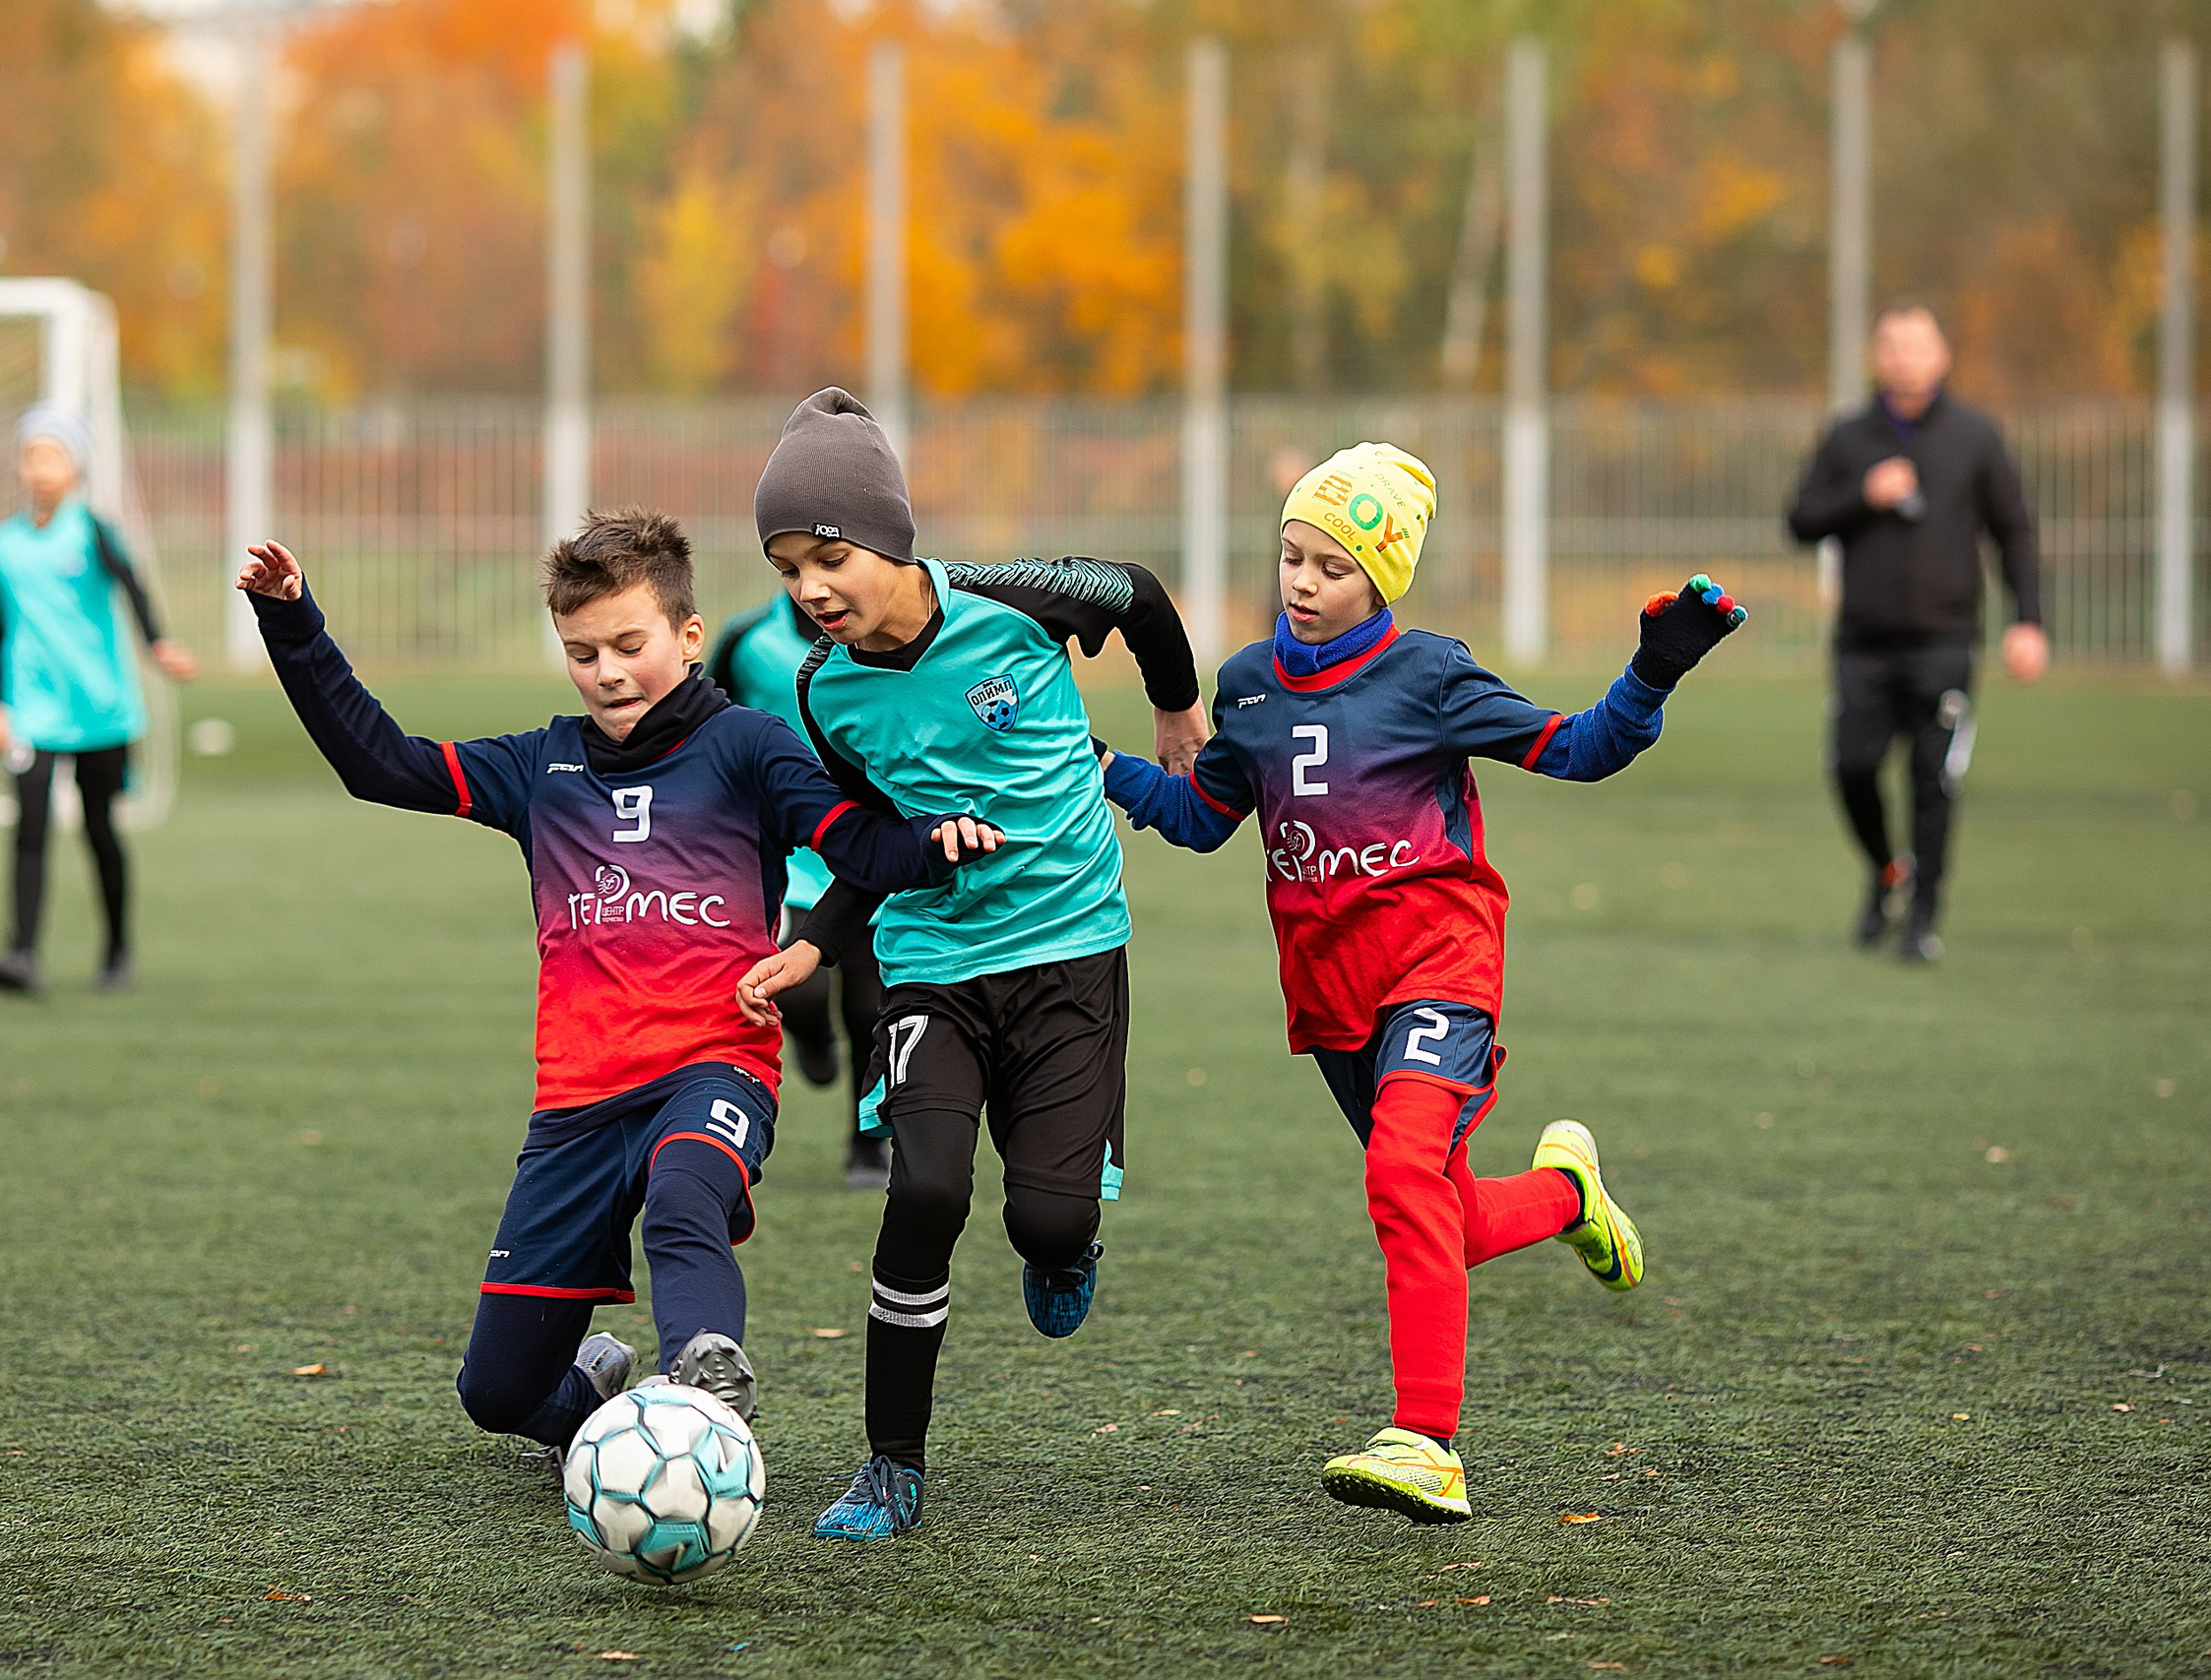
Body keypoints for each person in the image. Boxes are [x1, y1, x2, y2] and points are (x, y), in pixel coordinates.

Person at [235, 509, 1001, 1460]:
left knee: (685, 1195)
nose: (608, 671)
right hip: (576, 1105)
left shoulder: (748, 746)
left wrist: (937, 843)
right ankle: (603, 1411)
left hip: (712, 1068)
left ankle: (700, 1386)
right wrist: (294, 622)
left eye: (630, 645)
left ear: (686, 636)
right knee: (498, 1391)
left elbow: (858, 842)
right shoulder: (539, 765)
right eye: (582, 651)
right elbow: (380, 764)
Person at [1101, 444, 1746, 1524]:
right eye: (1290, 558)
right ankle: (1566, 1197)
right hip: (1332, 997)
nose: (1301, 584)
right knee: (1437, 1211)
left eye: (1331, 568)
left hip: (1439, 969)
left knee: (1401, 1171)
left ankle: (1428, 1443)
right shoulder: (1248, 684)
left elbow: (1578, 750)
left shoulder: (1430, 674)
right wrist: (1095, 768)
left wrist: (1652, 675)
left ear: (1380, 581)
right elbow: (1203, 819)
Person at [732, 388, 1208, 1541]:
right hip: (932, 961)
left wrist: (1175, 711)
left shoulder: (1012, 597)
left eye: (828, 554)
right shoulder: (821, 690)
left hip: (1070, 952)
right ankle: (890, 1466)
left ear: (888, 538)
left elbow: (1140, 595)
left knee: (1044, 1225)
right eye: (788, 566)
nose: (810, 590)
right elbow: (868, 849)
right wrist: (810, 946)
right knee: (928, 1188)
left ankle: (1070, 1231)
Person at [1788, 304, 2045, 963]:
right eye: (1892, 345)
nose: (1904, 356)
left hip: (1944, 641)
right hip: (1864, 644)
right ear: (1878, 356)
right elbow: (1800, 519)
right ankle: (1885, 869)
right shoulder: (1849, 438)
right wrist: (1862, 495)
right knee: (1852, 767)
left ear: (1942, 356)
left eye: (1917, 345)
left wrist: (2028, 621)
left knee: (1934, 780)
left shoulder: (1975, 436)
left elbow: (2012, 529)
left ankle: (1923, 918)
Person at [0, 404, 198, 995]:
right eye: (32, 455)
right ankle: (21, 955)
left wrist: (159, 645)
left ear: (76, 467)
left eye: (54, 456)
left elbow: (133, 588)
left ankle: (118, 950)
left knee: (100, 829)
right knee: (30, 827)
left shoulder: (94, 532)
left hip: (100, 710)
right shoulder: (1, 546)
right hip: (32, 713)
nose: (41, 468)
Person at [706, 589, 892, 1188]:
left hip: (865, 837)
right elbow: (708, 723)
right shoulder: (748, 639)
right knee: (801, 991)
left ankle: (866, 1143)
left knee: (869, 1006)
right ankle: (812, 1038)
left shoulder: (887, 633)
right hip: (783, 845)